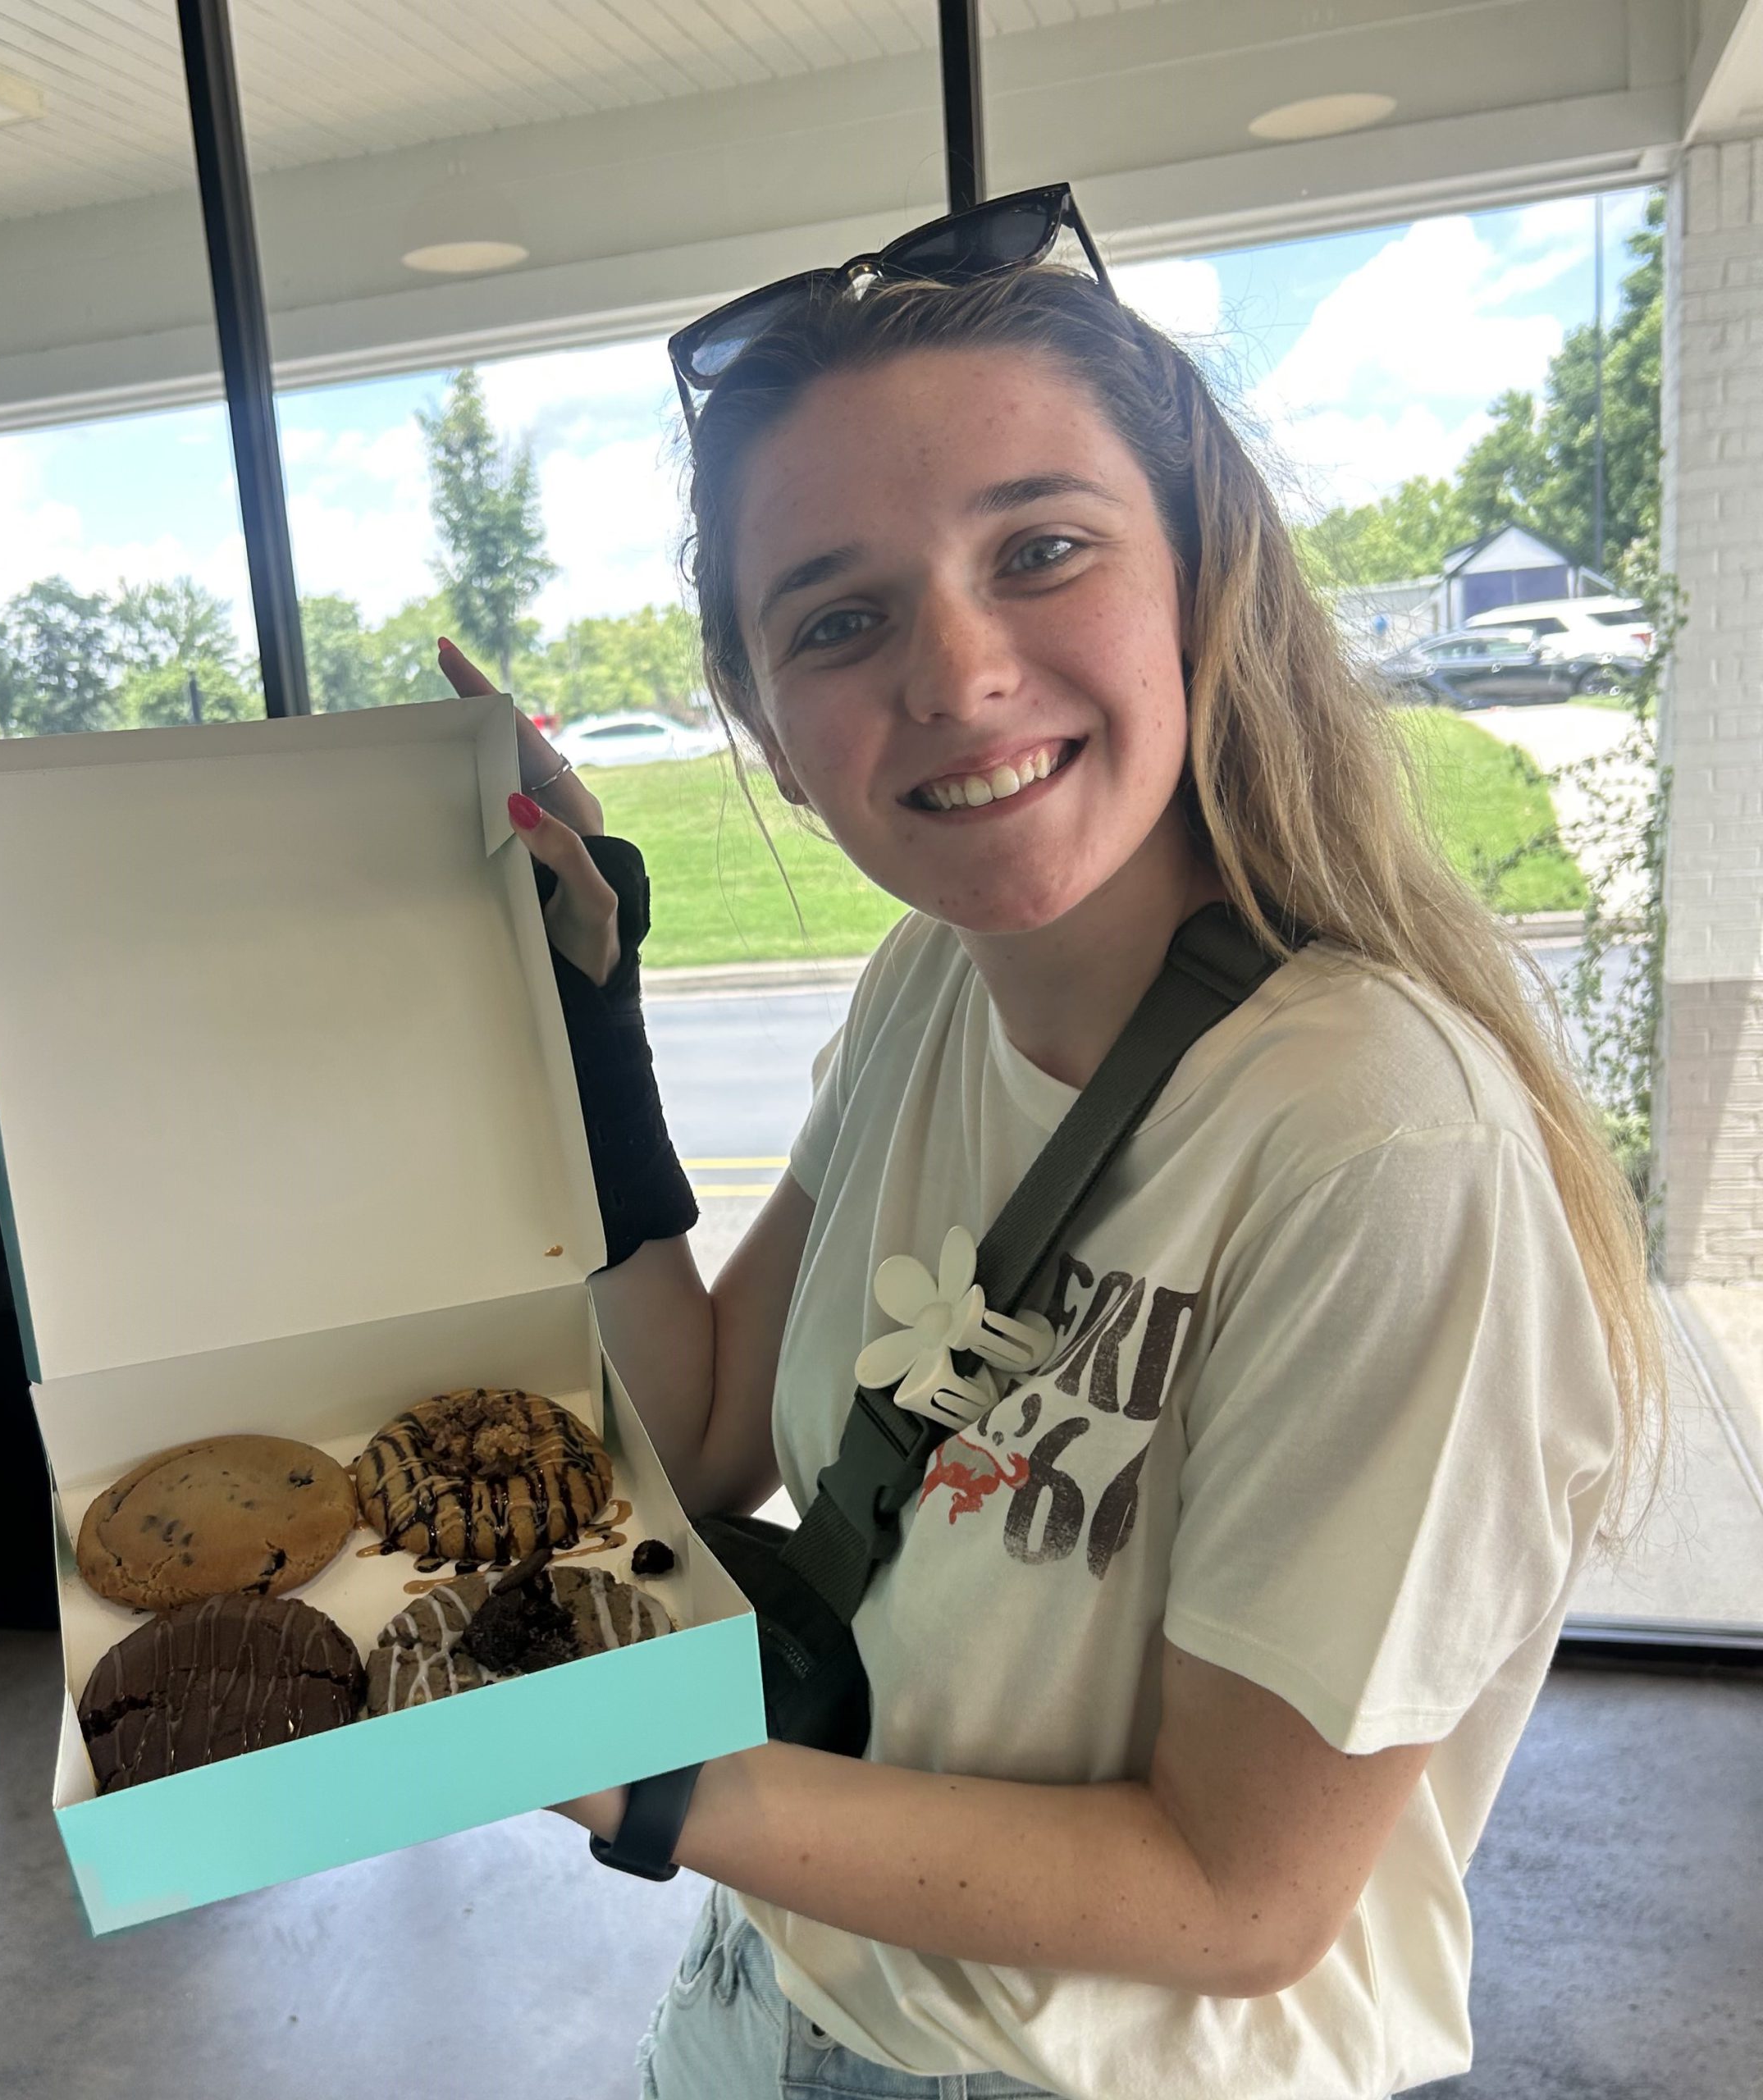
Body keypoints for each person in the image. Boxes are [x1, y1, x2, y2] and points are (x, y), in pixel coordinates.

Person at [437, 185, 1664, 2100]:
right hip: (782, 2001)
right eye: (834, 617)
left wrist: (645, 1770)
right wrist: (582, 1023)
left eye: (1039, 548)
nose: (950, 671)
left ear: (1196, 577)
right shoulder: (929, 982)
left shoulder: (1376, 1143)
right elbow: (701, 1427)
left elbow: (1237, 1894)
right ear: (764, 720)